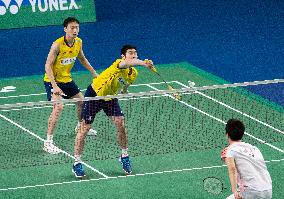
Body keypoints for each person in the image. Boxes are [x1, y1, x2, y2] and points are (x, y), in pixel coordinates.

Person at [72, 44, 154, 178]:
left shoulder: (133, 72)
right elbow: (129, 63)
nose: (133, 55)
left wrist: (124, 91)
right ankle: (77, 162)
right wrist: (144, 63)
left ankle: (124, 156)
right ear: (123, 56)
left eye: (135, 53)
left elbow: (126, 82)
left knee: (120, 123)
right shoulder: (119, 64)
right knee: (84, 128)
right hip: (95, 95)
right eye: (130, 53)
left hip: (110, 98)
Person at [43, 17, 98, 154]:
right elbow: (48, 65)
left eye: (77, 27)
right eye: (72, 27)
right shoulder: (57, 45)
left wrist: (94, 74)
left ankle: (80, 126)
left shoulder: (78, 42)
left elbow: (82, 59)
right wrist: (55, 86)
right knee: (58, 107)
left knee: (81, 102)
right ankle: (48, 142)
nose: (75, 30)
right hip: (52, 80)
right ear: (65, 29)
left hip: (66, 79)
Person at [221, 119, 272, 199]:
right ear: (242, 134)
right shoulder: (254, 149)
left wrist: (235, 191)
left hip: (252, 191)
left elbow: (232, 169)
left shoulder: (229, 150)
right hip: (268, 190)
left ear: (227, 135)